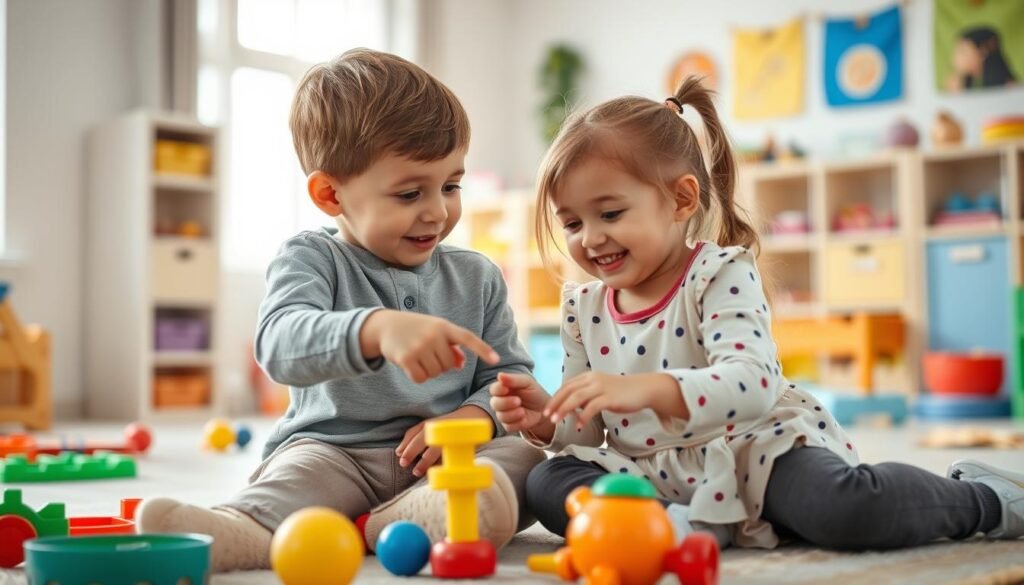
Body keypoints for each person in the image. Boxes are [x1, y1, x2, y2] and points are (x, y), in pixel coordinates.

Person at [490, 76, 1022, 550]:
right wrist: (548, 421)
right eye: (572, 223)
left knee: (846, 510)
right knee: (547, 482)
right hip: (649, 472)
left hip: (750, 450)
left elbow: (752, 383)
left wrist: (645, 389)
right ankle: (681, 524)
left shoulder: (718, 273)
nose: (591, 238)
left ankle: (982, 498)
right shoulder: (582, 307)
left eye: (609, 213)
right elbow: (589, 435)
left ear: (680, 201)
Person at [137, 48, 545, 571]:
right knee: (298, 476)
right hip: (334, 452)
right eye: (409, 193)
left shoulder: (477, 275)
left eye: (450, 185)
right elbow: (279, 344)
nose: (438, 212)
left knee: (526, 461)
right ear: (330, 194)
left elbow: (508, 374)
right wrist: (373, 329)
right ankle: (240, 530)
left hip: (447, 461)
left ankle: (416, 515)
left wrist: (474, 415)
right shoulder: (311, 258)